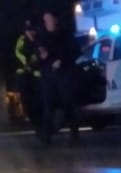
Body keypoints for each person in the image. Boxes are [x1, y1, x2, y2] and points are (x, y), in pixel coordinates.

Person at [36, 10, 81, 145]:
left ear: (55, 20)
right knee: (48, 105)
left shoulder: (65, 35)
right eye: (45, 21)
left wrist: (62, 60)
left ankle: (74, 134)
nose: (47, 23)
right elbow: (36, 56)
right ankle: (46, 136)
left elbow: (76, 52)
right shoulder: (42, 37)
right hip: (48, 77)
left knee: (68, 104)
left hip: (64, 75)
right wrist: (41, 56)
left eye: (49, 20)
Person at [13, 19, 42, 126]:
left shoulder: (38, 40)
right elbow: (18, 53)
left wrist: (35, 65)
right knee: (26, 100)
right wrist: (27, 64)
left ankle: (40, 122)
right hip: (24, 75)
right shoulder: (22, 40)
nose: (30, 33)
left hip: (37, 76)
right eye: (28, 31)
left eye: (32, 30)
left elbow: (41, 55)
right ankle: (32, 118)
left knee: (39, 100)